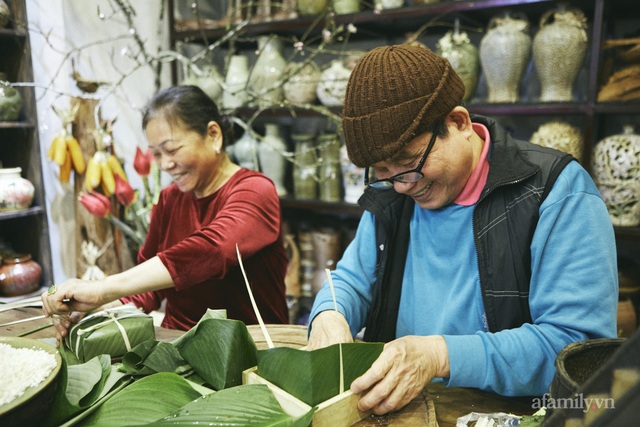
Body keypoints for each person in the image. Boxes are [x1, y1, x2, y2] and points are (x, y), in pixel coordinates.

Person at [307, 45, 618, 415]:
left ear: (458, 122)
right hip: (399, 414)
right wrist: (330, 313)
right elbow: (351, 281)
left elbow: (576, 352)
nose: (402, 185)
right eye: (382, 171)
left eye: (408, 164)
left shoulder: (555, 193)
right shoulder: (391, 195)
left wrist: (439, 355)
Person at [42, 85, 289, 340]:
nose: (165, 164)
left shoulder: (256, 190)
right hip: (179, 345)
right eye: (156, 154)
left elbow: (213, 250)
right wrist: (96, 309)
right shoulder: (170, 199)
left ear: (213, 135)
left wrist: (103, 288)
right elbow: (147, 293)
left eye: (172, 150)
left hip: (252, 349)